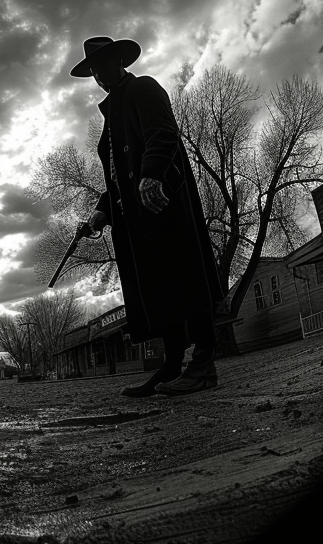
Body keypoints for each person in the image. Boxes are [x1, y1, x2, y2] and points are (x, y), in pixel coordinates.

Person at [71, 36, 224, 397]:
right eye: (92, 70)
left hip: (162, 204)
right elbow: (117, 173)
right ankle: (172, 367)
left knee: (186, 278)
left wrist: (152, 174)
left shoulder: (142, 88)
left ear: (119, 61)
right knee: (161, 290)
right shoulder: (113, 112)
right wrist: (102, 211)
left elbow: (163, 134)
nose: (98, 75)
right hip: (136, 220)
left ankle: (203, 363)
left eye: (102, 65)